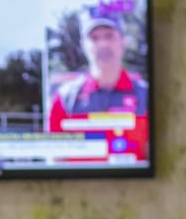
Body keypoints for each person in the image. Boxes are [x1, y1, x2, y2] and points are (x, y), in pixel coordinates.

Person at [47, 10, 149, 161]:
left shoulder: (145, 96)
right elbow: (56, 160)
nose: (103, 44)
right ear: (83, 45)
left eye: (109, 36)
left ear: (123, 41)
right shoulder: (64, 99)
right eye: (94, 38)